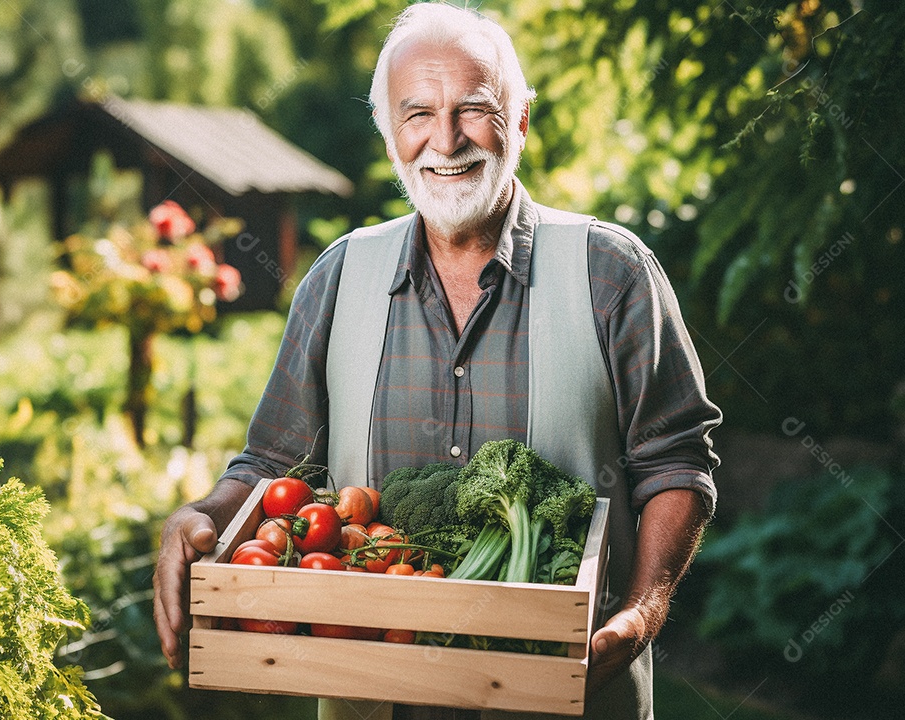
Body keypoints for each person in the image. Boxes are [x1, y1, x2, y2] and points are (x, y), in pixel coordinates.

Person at [154, 4, 721, 719]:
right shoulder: (336, 278)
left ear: (518, 122)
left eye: (474, 109)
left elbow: (675, 463)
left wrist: (643, 612)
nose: (445, 140)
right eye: (417, 113)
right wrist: (199, 513)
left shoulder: (611, 272)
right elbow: (274, 463)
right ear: (391, 135)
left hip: (569, 693)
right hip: (370, 699)